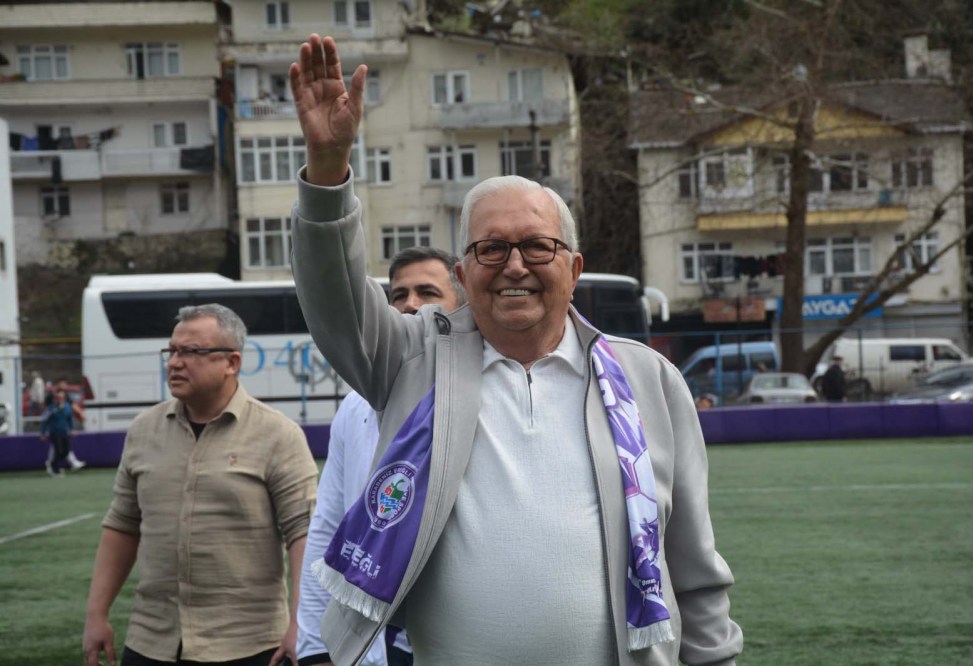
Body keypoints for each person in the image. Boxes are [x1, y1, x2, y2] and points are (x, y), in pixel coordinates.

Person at [288, 34, 742, 665]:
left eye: (537, 246)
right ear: (463, 273)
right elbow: (333, 298)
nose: (515, 266)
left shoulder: (648, 379)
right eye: (491, 249)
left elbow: (691, 564)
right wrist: (328, 165)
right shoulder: (413, 358)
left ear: (574, 268)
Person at [82, 304, 318, 666]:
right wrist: (96, 614)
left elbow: (305, 533)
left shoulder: (278, 434)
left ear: (232, 362)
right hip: (151, 641)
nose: (175, 363)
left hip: (250, 645)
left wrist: (301, 623)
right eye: (172, 351)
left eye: (191, 352)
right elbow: (122, 524)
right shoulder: (143, 430)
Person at [297, 247, 465, 666]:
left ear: (461, 305)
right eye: (398, 295)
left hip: (458, 633)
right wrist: (314, 646)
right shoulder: (355, 407)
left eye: (428, 292)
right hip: (376, 636)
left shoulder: (482, 394)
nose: (411, 304)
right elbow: (329, 524)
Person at [44, 377, 87, 472]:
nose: (65, 386)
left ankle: (55, 463)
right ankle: (55, 464)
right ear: (58, 384)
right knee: (58, 447)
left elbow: (72, 406)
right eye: (63, 384)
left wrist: (80, 413)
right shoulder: (52, 396)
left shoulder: (65, 395)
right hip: (55, 426)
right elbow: (47, 411)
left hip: (63, 425)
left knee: (60, 447)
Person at [39, 388, 74, 476]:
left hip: (64, 432)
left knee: (66, 450)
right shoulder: (51, 408)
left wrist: (72, 429)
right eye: (57, 398)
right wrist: (43, 433)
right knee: (58, 450)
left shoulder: (67, 407)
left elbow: (70, 419)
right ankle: (55, 469)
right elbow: (44, 421)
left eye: (61, 398)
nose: (59, 400)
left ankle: (52, 463)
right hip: (55, 433)